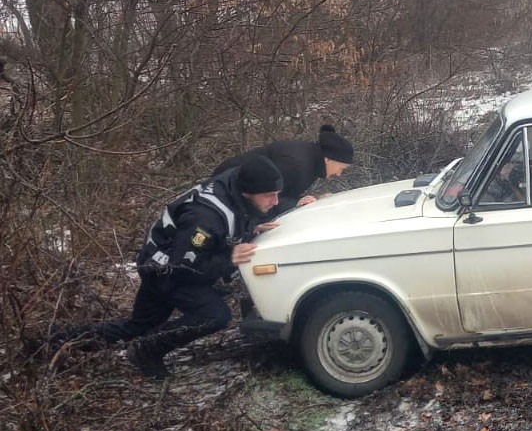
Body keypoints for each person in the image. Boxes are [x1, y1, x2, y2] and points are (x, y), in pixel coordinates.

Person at [45, 155, 284, 379]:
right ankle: (147, 349)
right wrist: (229, 259)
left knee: (136, 327)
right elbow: (186, 268)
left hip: (162, 263)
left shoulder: (235, 183)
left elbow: (235, 218)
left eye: (277, 194)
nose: (275, 202)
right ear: (247, 192)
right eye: (269, 195)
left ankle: (53, 340)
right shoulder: (205, 217)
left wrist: (250, 228)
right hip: (168, 272)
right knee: (215, 315)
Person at [212, 123, 354, 217]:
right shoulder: (296, 164)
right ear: (328, 159)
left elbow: (282, 192)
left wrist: (306, 200)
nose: (339, 174)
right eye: (341, 168)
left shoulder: (310, 161)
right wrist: (295, 203)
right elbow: (263, 196)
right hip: (225, 192)